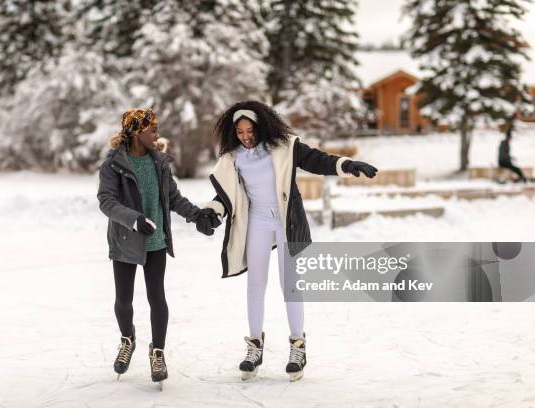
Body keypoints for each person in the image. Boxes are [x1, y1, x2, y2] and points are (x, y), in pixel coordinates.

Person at [200, 100, 378, 381]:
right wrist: (210, 214)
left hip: (286, 220)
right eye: (240, 132)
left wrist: (347, 165)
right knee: (255, 284)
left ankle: (298, 347)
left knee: (291, 286)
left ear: (262, 126)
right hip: (257, 221)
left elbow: (318, 160)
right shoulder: (232, 158)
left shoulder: (285, 146)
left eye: (250, 130)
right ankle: (254, 347)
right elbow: (226, 196)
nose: (246, 136)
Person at [97, 108, 216, 384]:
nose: (157, 135)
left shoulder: (159, 162)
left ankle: (158, 351)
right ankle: (128, 339)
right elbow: (107, 201)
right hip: (127, 238)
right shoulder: (114, 164)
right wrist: (135, 220)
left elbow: (173, 197)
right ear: (136, 132)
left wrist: (197, 216)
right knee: (124, 300)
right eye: (152, 130)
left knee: (157, 297)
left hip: (156, 241)